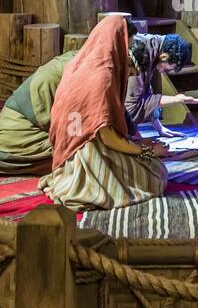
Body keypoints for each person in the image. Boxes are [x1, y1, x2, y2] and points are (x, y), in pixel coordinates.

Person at [39, 14, 171, 211]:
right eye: (128, 42)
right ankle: (85, 184)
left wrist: (138, 141)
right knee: (153, 175)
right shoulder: (102, 76)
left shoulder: (83, 63)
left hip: (70, 144)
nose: (128, 48)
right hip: (86, 151)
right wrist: (148, 151)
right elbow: (107, 137)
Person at [0, 50, 78, 178]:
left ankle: (0, 160)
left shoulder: (78, 58)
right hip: (14, 137)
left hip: (13, 133)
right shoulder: (83, 68)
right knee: (78, 153)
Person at [125, 32, 198, 135]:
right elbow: (131, 106)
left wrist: (159, 128)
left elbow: (146, 91)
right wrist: (176, 99)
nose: (161, 71)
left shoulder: (154, 49)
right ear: (164, 56)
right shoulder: (141, 53)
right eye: (165, 68)